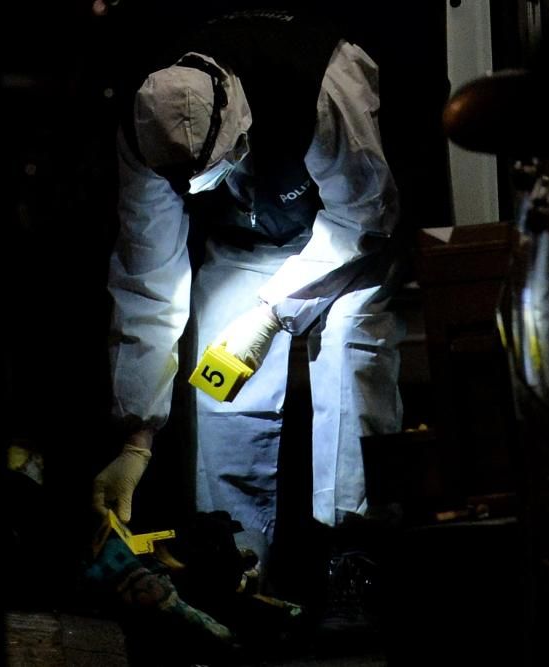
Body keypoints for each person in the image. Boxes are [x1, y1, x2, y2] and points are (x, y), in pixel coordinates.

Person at [92, 6, 406, 591]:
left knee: (350, 354)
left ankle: (352, 555)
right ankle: (237, 560)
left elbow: (365, 214)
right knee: (220, 383)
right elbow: (148, 277)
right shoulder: (147, 127)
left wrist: (269, 312)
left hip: (342, 234)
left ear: (237, 126)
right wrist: (137, 435)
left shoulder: (320, 83)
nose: (191, 191)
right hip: (247, 238)